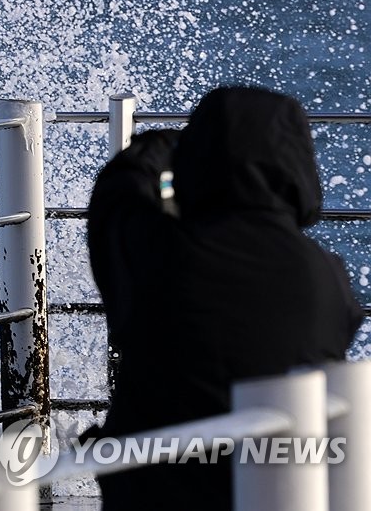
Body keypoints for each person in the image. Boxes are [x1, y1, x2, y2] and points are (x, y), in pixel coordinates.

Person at [86, 86, 364, 509]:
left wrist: (163, 144)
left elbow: (117, 196)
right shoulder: (329, 275)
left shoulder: (163, 255)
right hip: (284, 486)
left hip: (161, 489)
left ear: (200, 162)